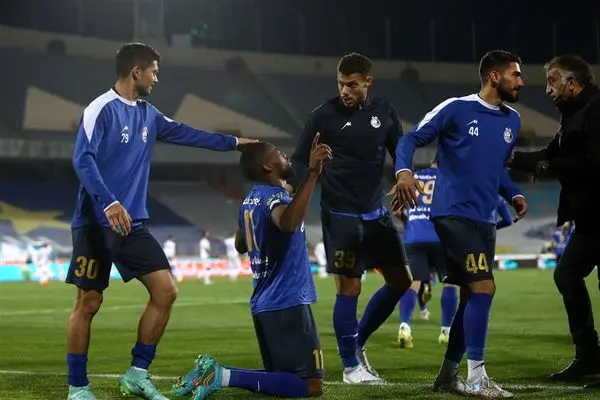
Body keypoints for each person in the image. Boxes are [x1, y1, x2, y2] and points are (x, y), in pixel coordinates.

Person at [65, 42, 256, 400]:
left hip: (132, 223)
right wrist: (109, 202)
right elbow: (83, 160)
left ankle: (137, 374)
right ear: (136, 71)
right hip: (94, 223)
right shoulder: (100, 109)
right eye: (153, 71)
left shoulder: (149, 114)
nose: (156, 78)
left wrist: (233, 143)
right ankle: (77, 387)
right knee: (88, 302)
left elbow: (186, 133)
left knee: (166, 291)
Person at [392, 49, 528, 397]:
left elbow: (496, 168)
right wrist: (404, 172)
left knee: (471, 296)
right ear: (494, 76)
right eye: (515, 74)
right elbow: (410, 138)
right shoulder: (456, 108)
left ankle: (448, 376)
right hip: (452, 214)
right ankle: (478, 377)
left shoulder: (512, 120)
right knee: (484, 287)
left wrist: (513, 193)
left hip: (485, 220)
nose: (521, 81)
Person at [171, 138, 332, 399]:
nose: (285, 156)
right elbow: (288, 223)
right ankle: (222, 376)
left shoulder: (250, 200)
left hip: (263, 302)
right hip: (288, 300)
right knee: (310, 386)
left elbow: (240, 245)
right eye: (278, 153)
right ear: (268, 166)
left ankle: (210, 374)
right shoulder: (275, 198)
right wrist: (313, 174)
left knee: (279, 376)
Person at [290, 52, 412, 384]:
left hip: (376, 213)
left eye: (352, 84)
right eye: (341, 84)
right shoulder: (322, 116)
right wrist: (289, 190)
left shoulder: (385, 111)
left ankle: (356, 343)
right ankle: (350, 367)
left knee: (401, 281)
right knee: (350, 286)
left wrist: (404, 173)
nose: (345, 90)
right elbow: (299, 160)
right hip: (340, 213)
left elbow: (400, 149)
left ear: (367, 82)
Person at [509, 53, 600, 388]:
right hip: (591, 219)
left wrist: (550, 166)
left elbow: (594, 160)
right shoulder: (573, 113)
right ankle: (589, 357)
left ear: (571, 83)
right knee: (567, 274)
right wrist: (509, 158)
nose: (547, 89)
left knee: (570, 275)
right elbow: (551, 155)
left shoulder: (596, 109)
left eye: (552, 81)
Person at [395, 161, 516, 349]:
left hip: (413, 237)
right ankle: (446, 330)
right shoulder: (449, 178)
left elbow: (398, 211)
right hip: (440, 235)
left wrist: (410, 222)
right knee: (450, 282)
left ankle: (404, 326)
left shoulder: (413, 177)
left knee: (414, 282)